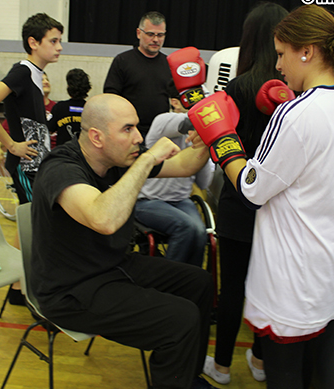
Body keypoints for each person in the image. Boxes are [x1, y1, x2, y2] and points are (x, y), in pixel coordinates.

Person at [190, 4, 334, 388]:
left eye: (283, 53)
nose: (278, 65)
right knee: (302, 368)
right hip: (329, 265)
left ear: (306, 51)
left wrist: (222, 142)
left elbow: (253, 189)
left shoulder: (298, 113)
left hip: (294, 273)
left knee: (283, 373)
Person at [30, 93, 218, 389]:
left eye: (137, 128)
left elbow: (184, 165)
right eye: (128, 129)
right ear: (97, 137)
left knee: (199, 283)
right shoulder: (61, 168)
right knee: (181, 319)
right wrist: (145, 161)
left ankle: (186, 375)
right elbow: (103, 219)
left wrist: (212, 133)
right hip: (70, 291)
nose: (138, 137)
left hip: (113, 266)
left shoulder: (115, 158)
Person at [202, 2, 288, 386]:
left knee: (233, 288)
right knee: (268, 286)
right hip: (277, 205)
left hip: (239, 202)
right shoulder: (295, 94)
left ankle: (221, 366)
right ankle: (260, 360)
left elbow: (222, 149)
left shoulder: (238, 87)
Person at [0, 13, 63, 304]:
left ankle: (20, 286)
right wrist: (10, 144)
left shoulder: (35, 75)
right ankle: (19, 289)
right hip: (26, 165)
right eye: (54, 41)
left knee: (32, 225)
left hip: (37, 164)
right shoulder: (22, 71)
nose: (60, 47)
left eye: (60, 40)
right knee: (33, 225)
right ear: (33, 42)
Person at [135, 80, 215, 267]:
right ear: (175, 102)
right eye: (193, 99)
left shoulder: (201, 135)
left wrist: (204, 150)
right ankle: (170, 282)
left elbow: (203, 183)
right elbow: (187, 122)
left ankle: (190, 281)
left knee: (199, 231)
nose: (199, 105)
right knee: (187, 227)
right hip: (148, 201)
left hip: (180, 201)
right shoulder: (163, 121)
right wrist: (213, 120)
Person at [103, 11, 173, 137]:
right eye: (150, 34)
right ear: (138, 33)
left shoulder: (169, 63)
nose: (156, 39)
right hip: (128, 132)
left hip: (160, 133)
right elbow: (111, 97)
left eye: (160, 35)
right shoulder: (123, 61)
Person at [0, 72, 56, 161]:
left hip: (54, 154)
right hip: (33, 154)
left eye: (47, 79)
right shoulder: (24, 107)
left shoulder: (56, 108)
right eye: (41, 80)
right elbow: (7, 129)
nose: (46, 82)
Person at [48, 68, 91, 146]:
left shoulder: (59, 108)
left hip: (63, 155)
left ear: (68, 86)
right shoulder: (91, 109)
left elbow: (48, 130)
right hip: (83, 155)